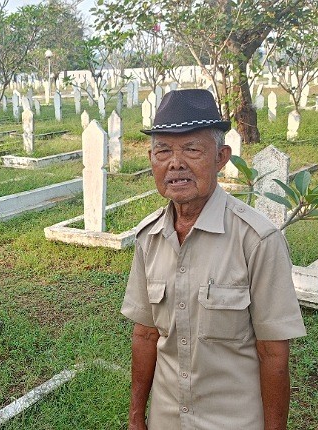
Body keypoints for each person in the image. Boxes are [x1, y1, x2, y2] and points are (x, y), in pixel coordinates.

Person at [121, 89, 307, 430]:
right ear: (151, 160)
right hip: (167, 419)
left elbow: (273, 353)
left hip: (234, 421)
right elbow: (145, 335)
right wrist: (136, 419)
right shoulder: (148, 238)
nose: (175, 163)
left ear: (221, 157)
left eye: (192, 149)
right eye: (163, 151)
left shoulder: (257, 240)